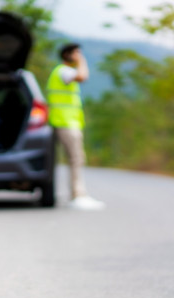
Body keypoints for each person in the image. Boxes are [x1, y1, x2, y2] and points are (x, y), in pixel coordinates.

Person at [46, 43, 105, 210]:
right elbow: (82, 76)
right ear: (68, 55)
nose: (79, 55)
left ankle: (76, 194)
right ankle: (77, 195)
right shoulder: (64, 71)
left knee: (72, 159)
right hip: (66, 122)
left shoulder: (59, 72)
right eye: (76, 53)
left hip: (63, 121)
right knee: (76, 158)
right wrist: (82, 61)